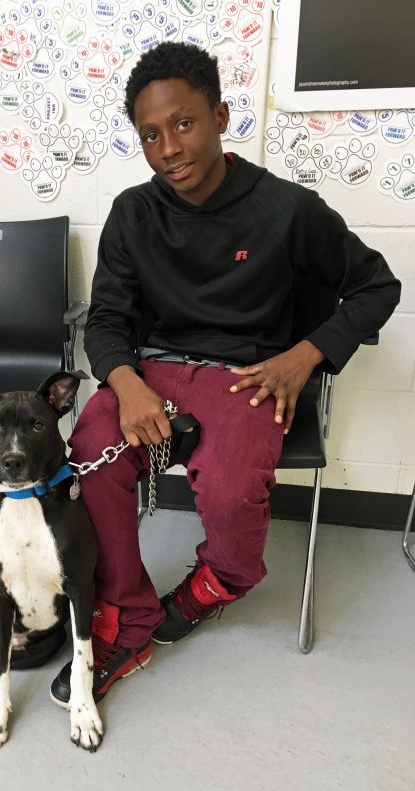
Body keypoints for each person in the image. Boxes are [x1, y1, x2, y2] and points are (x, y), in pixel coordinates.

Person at [49, 42, 401, 707]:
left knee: (235, 496)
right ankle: (128, 614)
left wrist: (306, 355)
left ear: (220, 115)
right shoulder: (133, 213)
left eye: (183, 123)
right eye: (150, 135)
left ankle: (223, 580)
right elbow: (106, 321)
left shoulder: (288, 211)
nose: (169, 147)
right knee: (90, 453)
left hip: (249, 376)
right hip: (152, 372)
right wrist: (124, 386)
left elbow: (375, 288)